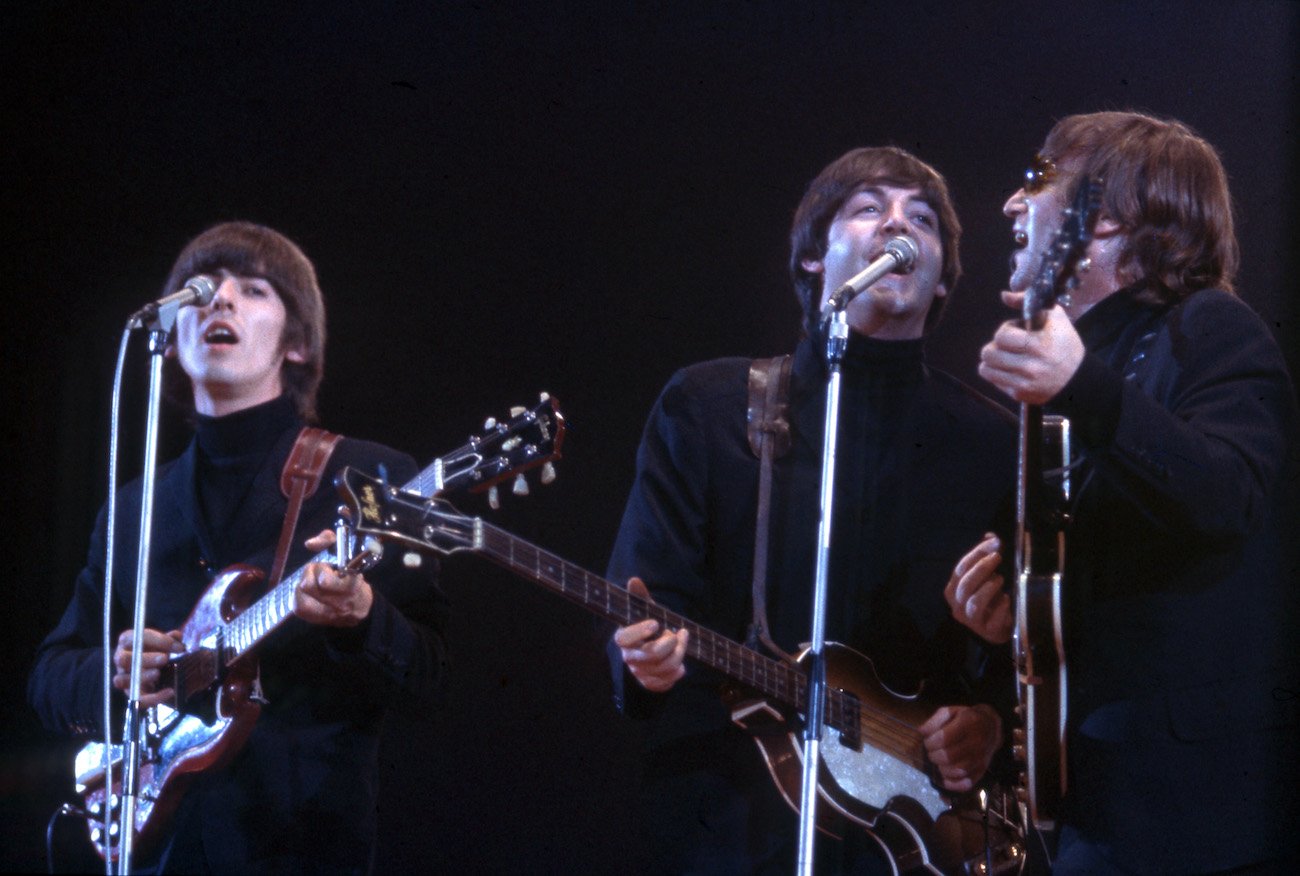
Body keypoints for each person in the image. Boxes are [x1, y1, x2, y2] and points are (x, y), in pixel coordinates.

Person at [607, 147, 1019, 873]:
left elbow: (1022, 647)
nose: (899, 225)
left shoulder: (989, 442)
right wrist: (641, 661)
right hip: (727, 814)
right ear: (811, 259)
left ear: (943, 276)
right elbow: (647, 601)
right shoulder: (710, 408)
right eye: (868, 209)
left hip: (913, 834)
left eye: (921, 219)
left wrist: (989, 723)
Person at [28, 221, 449, 874]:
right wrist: (116, 676)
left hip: (302, 850)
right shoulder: (136, 507)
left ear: (299, 344)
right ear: (168, 342)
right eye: (202, 290)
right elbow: (49, 675)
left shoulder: (367, 478)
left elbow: (433, 677)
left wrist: (361, 615)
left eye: (253, 290)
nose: (219, 300)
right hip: (156, 851)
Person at [949, 111, 1298, 872]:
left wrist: (1086, 389)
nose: (1011, 203)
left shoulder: (1209, 329)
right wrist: (1001, 617)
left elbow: (1227, 495)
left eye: (1039, 178)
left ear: (1105, 218)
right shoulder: (1065, 377)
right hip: (1088, 801)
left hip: (1193, 814)